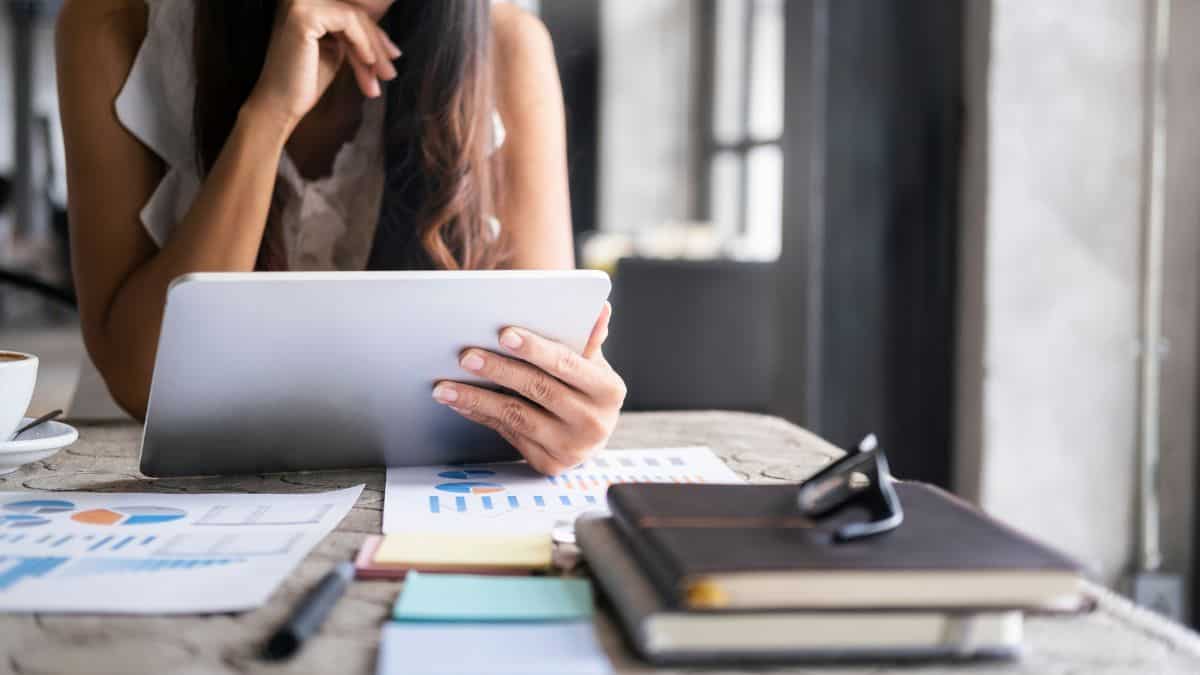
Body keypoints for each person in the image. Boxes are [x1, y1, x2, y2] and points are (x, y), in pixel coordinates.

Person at [55, 0, 626, 475]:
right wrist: (267, 119)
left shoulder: (507, 45)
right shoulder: (114, 23)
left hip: (405, 489)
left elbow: (543, 375)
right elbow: (141, 384)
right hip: (144, 479)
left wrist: (566, 416)